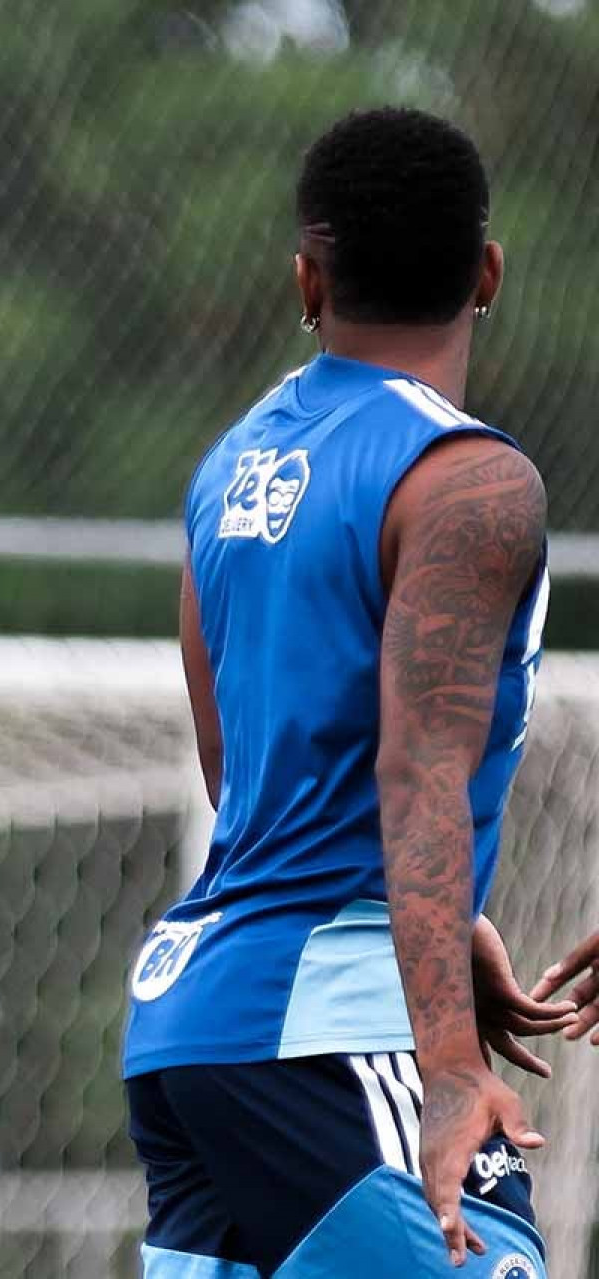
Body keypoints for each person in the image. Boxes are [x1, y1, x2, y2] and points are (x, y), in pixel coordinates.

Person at [123, 107, 572, 1277]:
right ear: (489, 272)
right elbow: (416, 768)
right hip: (336, 1024)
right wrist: (452, 1063)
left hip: (190, 1025)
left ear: (306, 280)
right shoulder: (472, 479)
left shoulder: (231, 468)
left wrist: (448, 913)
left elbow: (243, 772)